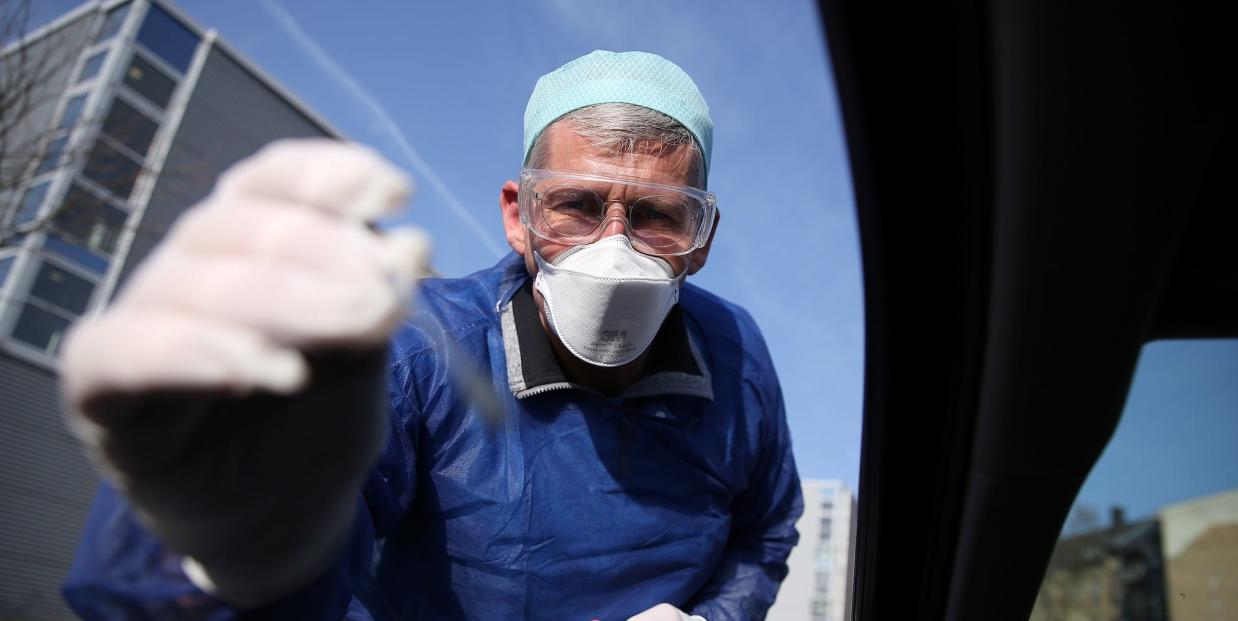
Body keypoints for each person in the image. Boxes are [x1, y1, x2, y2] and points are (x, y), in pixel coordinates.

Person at [60, 50, 802, 621]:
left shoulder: (735, 357)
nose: (615, 251)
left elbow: (765, 532)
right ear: (519, 215)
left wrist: (714, 616)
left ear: (700, 237)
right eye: (576, 205)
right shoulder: (417, 350)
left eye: (656, 216)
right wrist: (218, 549)